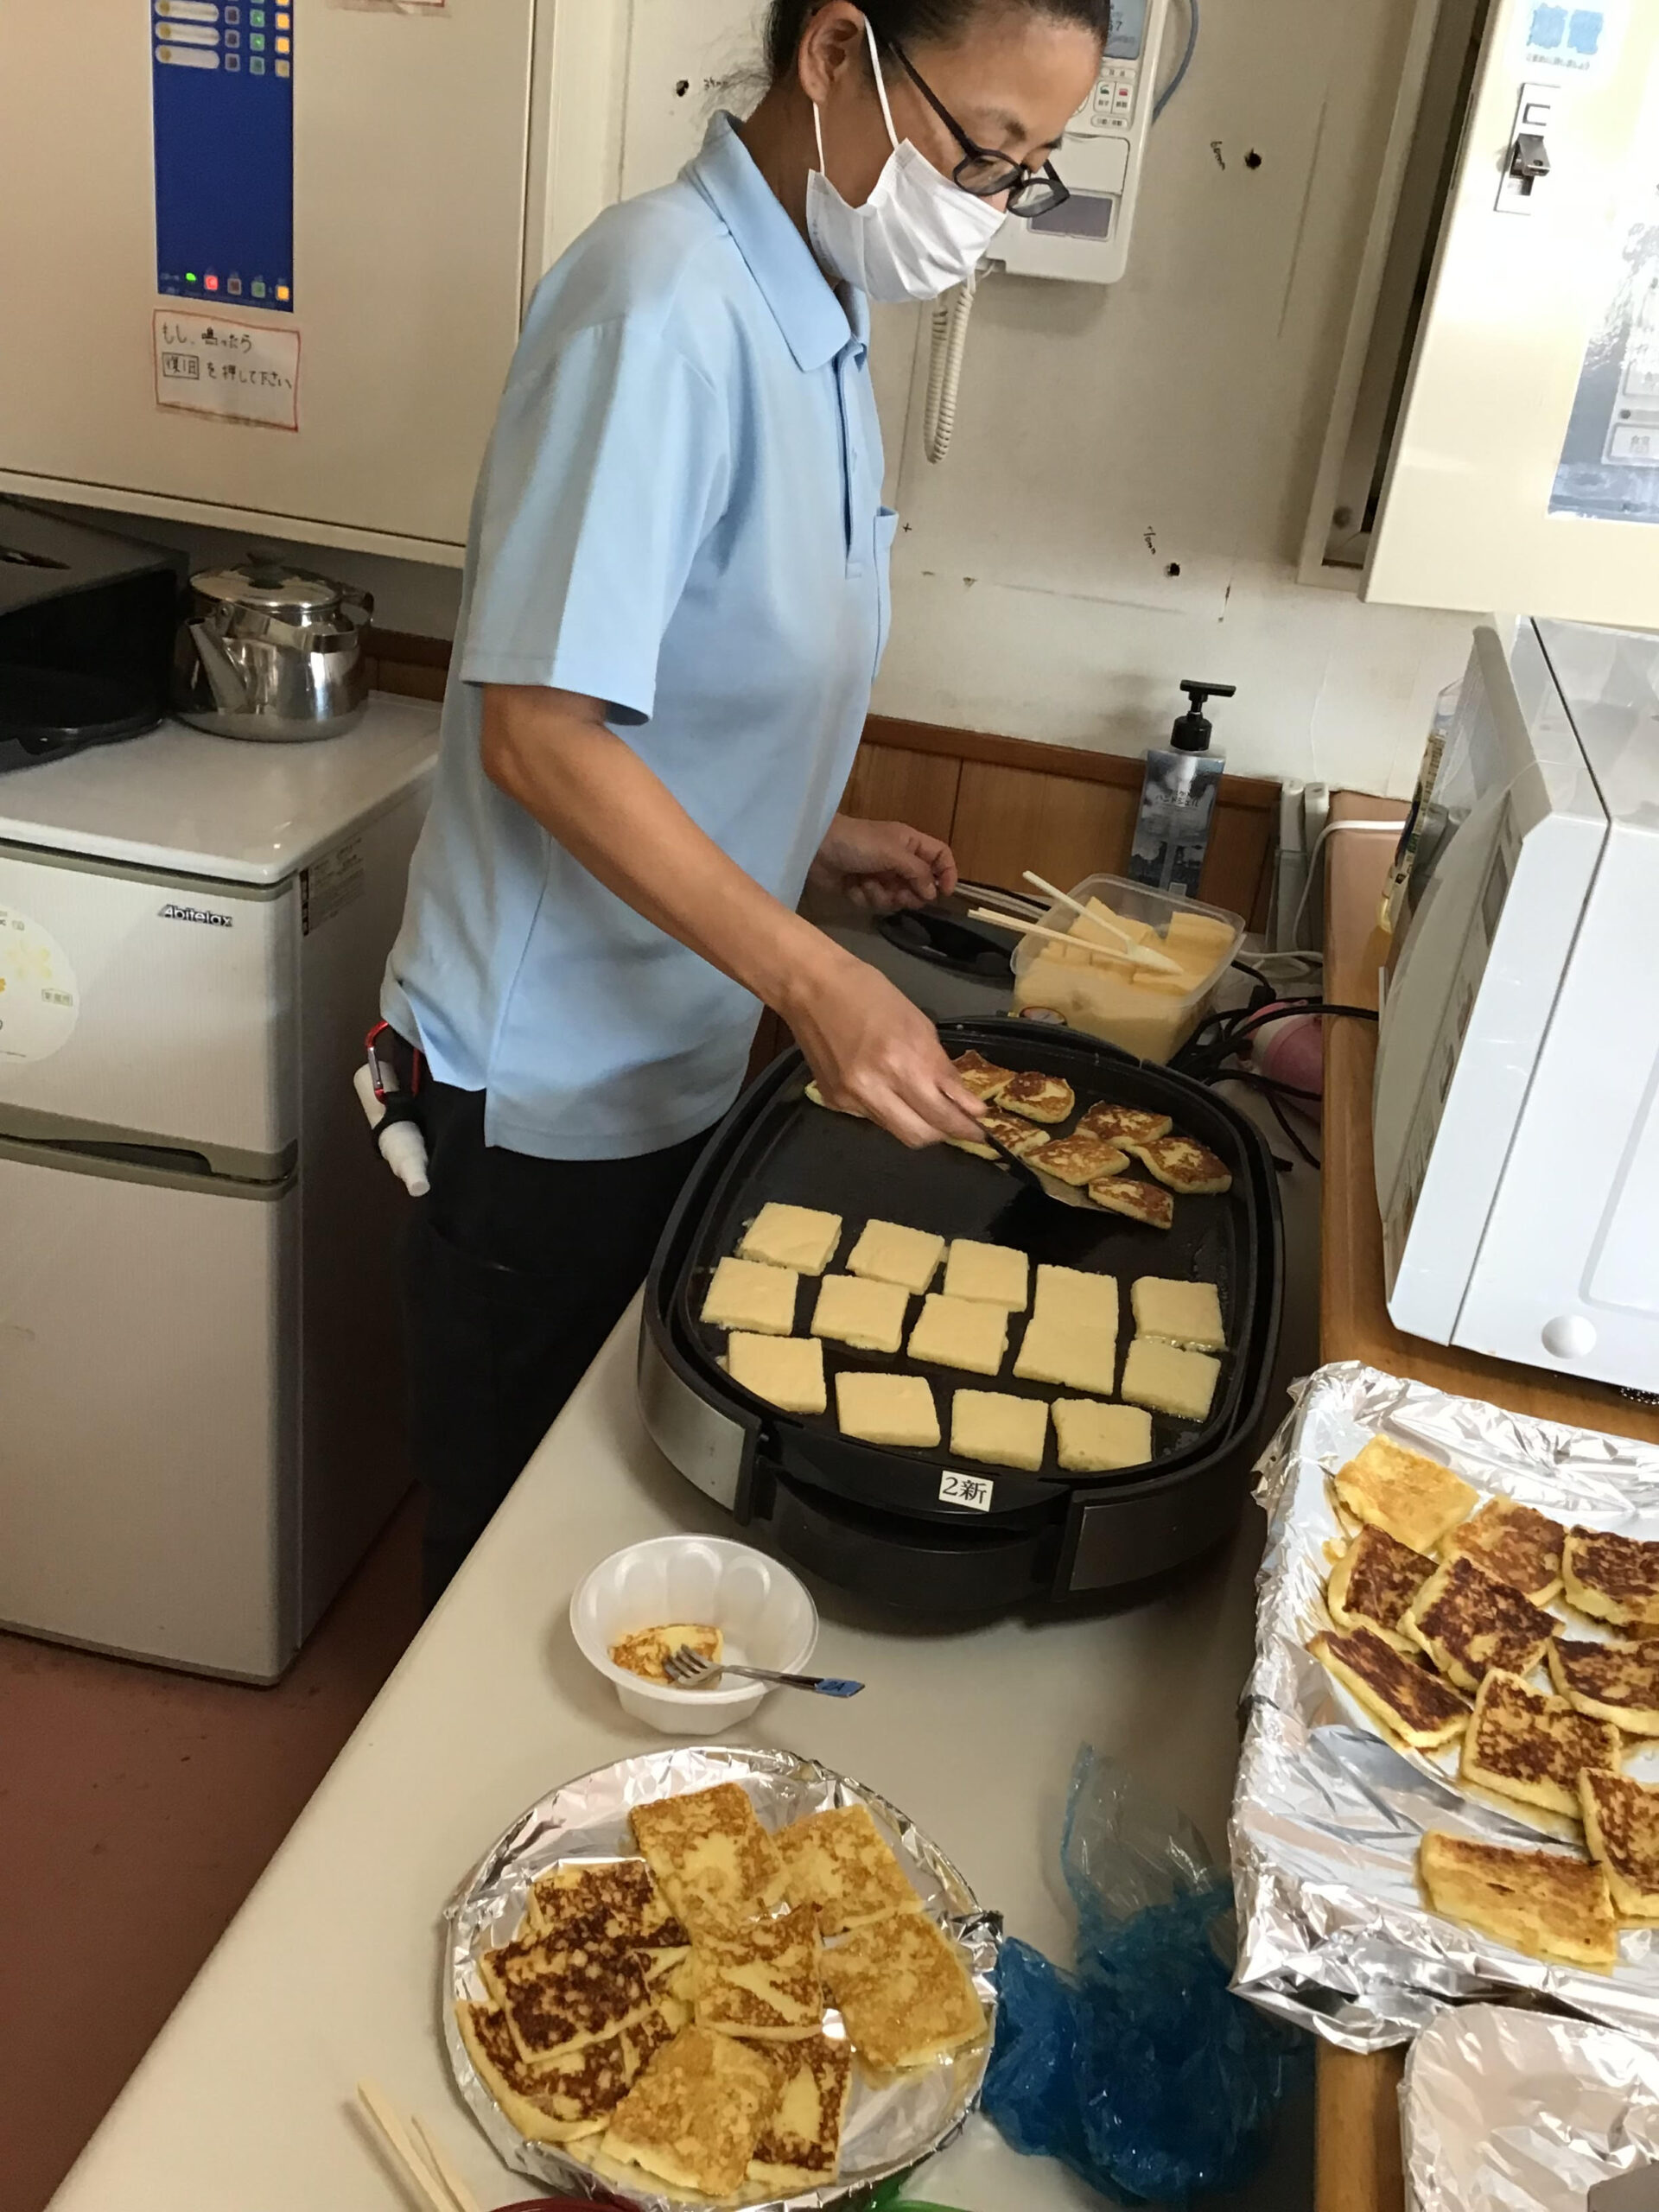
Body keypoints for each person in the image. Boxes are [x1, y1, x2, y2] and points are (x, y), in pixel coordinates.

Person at [382, 0, 1109, 1603]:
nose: (992, 203)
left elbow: (684, 671)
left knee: (609, 1524)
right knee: (509, 1550)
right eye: (986, 148)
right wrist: (807, 970)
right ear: (836, 54)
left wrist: (814, 842)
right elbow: (543, 732)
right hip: (548, 1076)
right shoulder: (661, 303)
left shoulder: (818, 318)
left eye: (1035, 170)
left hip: (675, 1038)